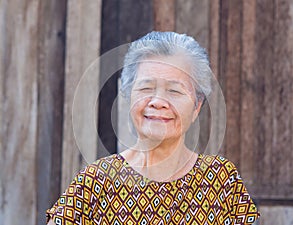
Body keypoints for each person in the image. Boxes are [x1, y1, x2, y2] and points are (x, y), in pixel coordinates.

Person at [47, 31, 260, 224]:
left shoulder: (221, 179)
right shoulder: (95, 182)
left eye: (175, 91)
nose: (158, 101)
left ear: (197, 106)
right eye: (146, 88)